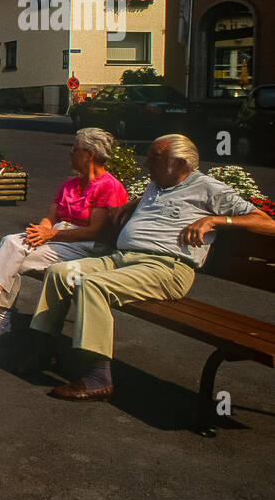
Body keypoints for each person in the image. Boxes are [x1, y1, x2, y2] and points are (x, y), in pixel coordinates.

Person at [30, 134, 275, 401]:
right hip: (124, 259)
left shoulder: (208, 188)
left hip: (165, 269)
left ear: (179, 164)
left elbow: (266, 222)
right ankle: (43, 348)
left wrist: (214, 221)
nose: (146, 163)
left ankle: (97, 377)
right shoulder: (158, 183)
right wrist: (130, 205)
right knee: (60, 273)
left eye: (153, 158)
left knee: (92, 285)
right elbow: (162, 200)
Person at [0, 128, 126, 340]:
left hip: (87, 246)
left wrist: (49, 235)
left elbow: (95, 232)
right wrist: (40, 231)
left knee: (11, 256)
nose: (70, 153)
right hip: (59, 238)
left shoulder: (109, 187)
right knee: (11, 247)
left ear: (90, 154)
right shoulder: (70, 184)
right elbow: (50, 217)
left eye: (74, 149)